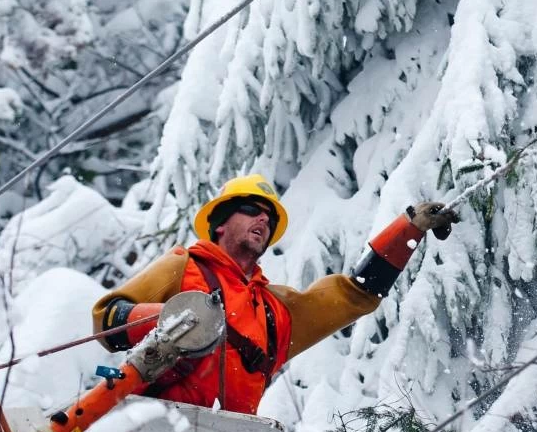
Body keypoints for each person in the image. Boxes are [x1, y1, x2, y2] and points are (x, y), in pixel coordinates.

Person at [91, 174, 459, 414]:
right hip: (157, 430)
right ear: (219, 224)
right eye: (251, 209)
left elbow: (355, 295)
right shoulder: (183, 267)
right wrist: (173, 321)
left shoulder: (274, 312)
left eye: (269, 216)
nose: (263, 219)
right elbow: (107, 317)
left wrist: (409, 228)